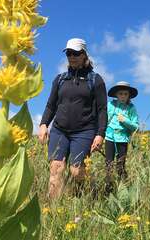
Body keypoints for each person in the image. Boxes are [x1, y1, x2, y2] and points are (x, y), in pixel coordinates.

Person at [38, 38, 107, 199]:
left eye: (76, 53)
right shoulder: (60, 79)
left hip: (84, 131)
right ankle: (53, 210)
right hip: (59, 130)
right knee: (56, 168)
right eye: (69, 53)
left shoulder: (95, 80)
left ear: (84, 55)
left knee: (76, 171)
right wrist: (43, 124)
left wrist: (100, 134)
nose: (72, 56)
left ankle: (86, 195)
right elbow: (51, 105)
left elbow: (102, 109)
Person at [105, 81, 139, 193]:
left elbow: (136, 126)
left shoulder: (131, 108)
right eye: (120, 94)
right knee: (108, 165)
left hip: (122, 139)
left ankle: (123, 189)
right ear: (116, 95)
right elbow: (103, 119)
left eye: (125, 94)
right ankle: (108, 189)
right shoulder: (110, 105)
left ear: (129, 95)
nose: (123, 96)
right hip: (109, 137)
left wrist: (125, 121)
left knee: (120, 166)